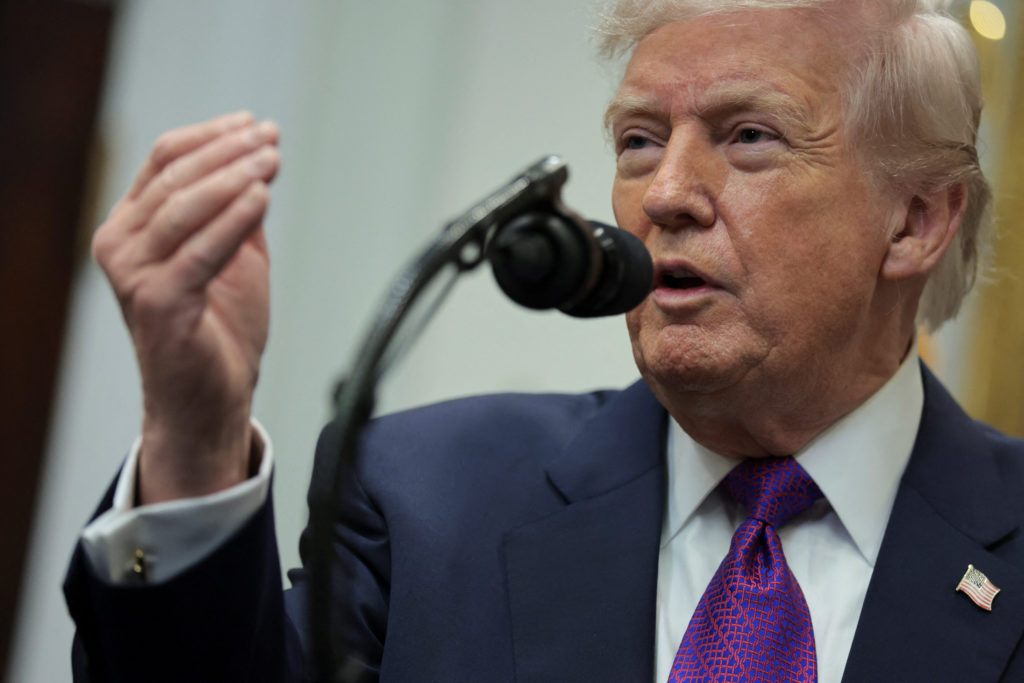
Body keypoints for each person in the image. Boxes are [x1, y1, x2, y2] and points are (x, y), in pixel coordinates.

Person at [64, 0, 1024, 681]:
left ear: (915, 221)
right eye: (639, 139)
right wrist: (194, 434)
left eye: (749, 136)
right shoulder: (424, 496)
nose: (664, 194)